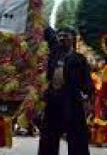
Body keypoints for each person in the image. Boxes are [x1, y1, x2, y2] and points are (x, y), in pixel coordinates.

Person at [38, 27, 94, 155]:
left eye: (66, 35)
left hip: (72, 101)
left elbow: (87, 82)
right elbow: (48, 32)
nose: (62, 38)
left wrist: (87, 99)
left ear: (73, 38)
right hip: (53, 100)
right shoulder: (53, 55)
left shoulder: (80, 59)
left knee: (77, 137)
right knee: (48, 137)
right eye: (60, 35)